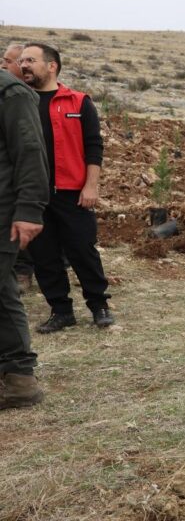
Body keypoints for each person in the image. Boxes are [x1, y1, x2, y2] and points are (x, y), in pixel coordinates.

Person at [18, 43, 114, 332]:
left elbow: (94, 146)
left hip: (72, 192)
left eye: (30, 60)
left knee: (83, 251)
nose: (24, 65)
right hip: (33, 194)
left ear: (51, 66)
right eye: (21, 60)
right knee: (44, 255)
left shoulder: (78, 101)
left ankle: (99, 306)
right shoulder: (20, 102)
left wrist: (91, 185)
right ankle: (61, 311)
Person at [0, 70, 49, 409]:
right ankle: (17, 377)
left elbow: (30, 151)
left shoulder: (10, 92)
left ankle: (19, 378)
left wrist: (30, 209)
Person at [1, 43, 35, 293]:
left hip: (29, 186)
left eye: (10, 61)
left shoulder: (18, 97)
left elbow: (29, 151)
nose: (5, 64)